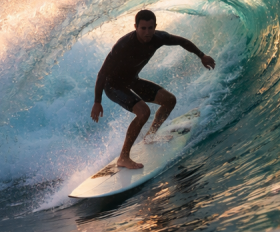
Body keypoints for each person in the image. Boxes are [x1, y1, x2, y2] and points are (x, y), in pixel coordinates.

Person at [90, 9, 215, 169]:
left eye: (150, 28)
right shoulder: (124, 44)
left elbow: (181, 41)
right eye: (143, 28)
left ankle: (150, 137)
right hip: (113, 85)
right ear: (135, 27)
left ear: (155, 26)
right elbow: (102, 73)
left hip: (132, 81)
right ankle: (123, 157)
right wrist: (97, 101)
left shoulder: (158, 38)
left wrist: (201, 55)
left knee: (169, 100)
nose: (147, 32)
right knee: (143, 112)